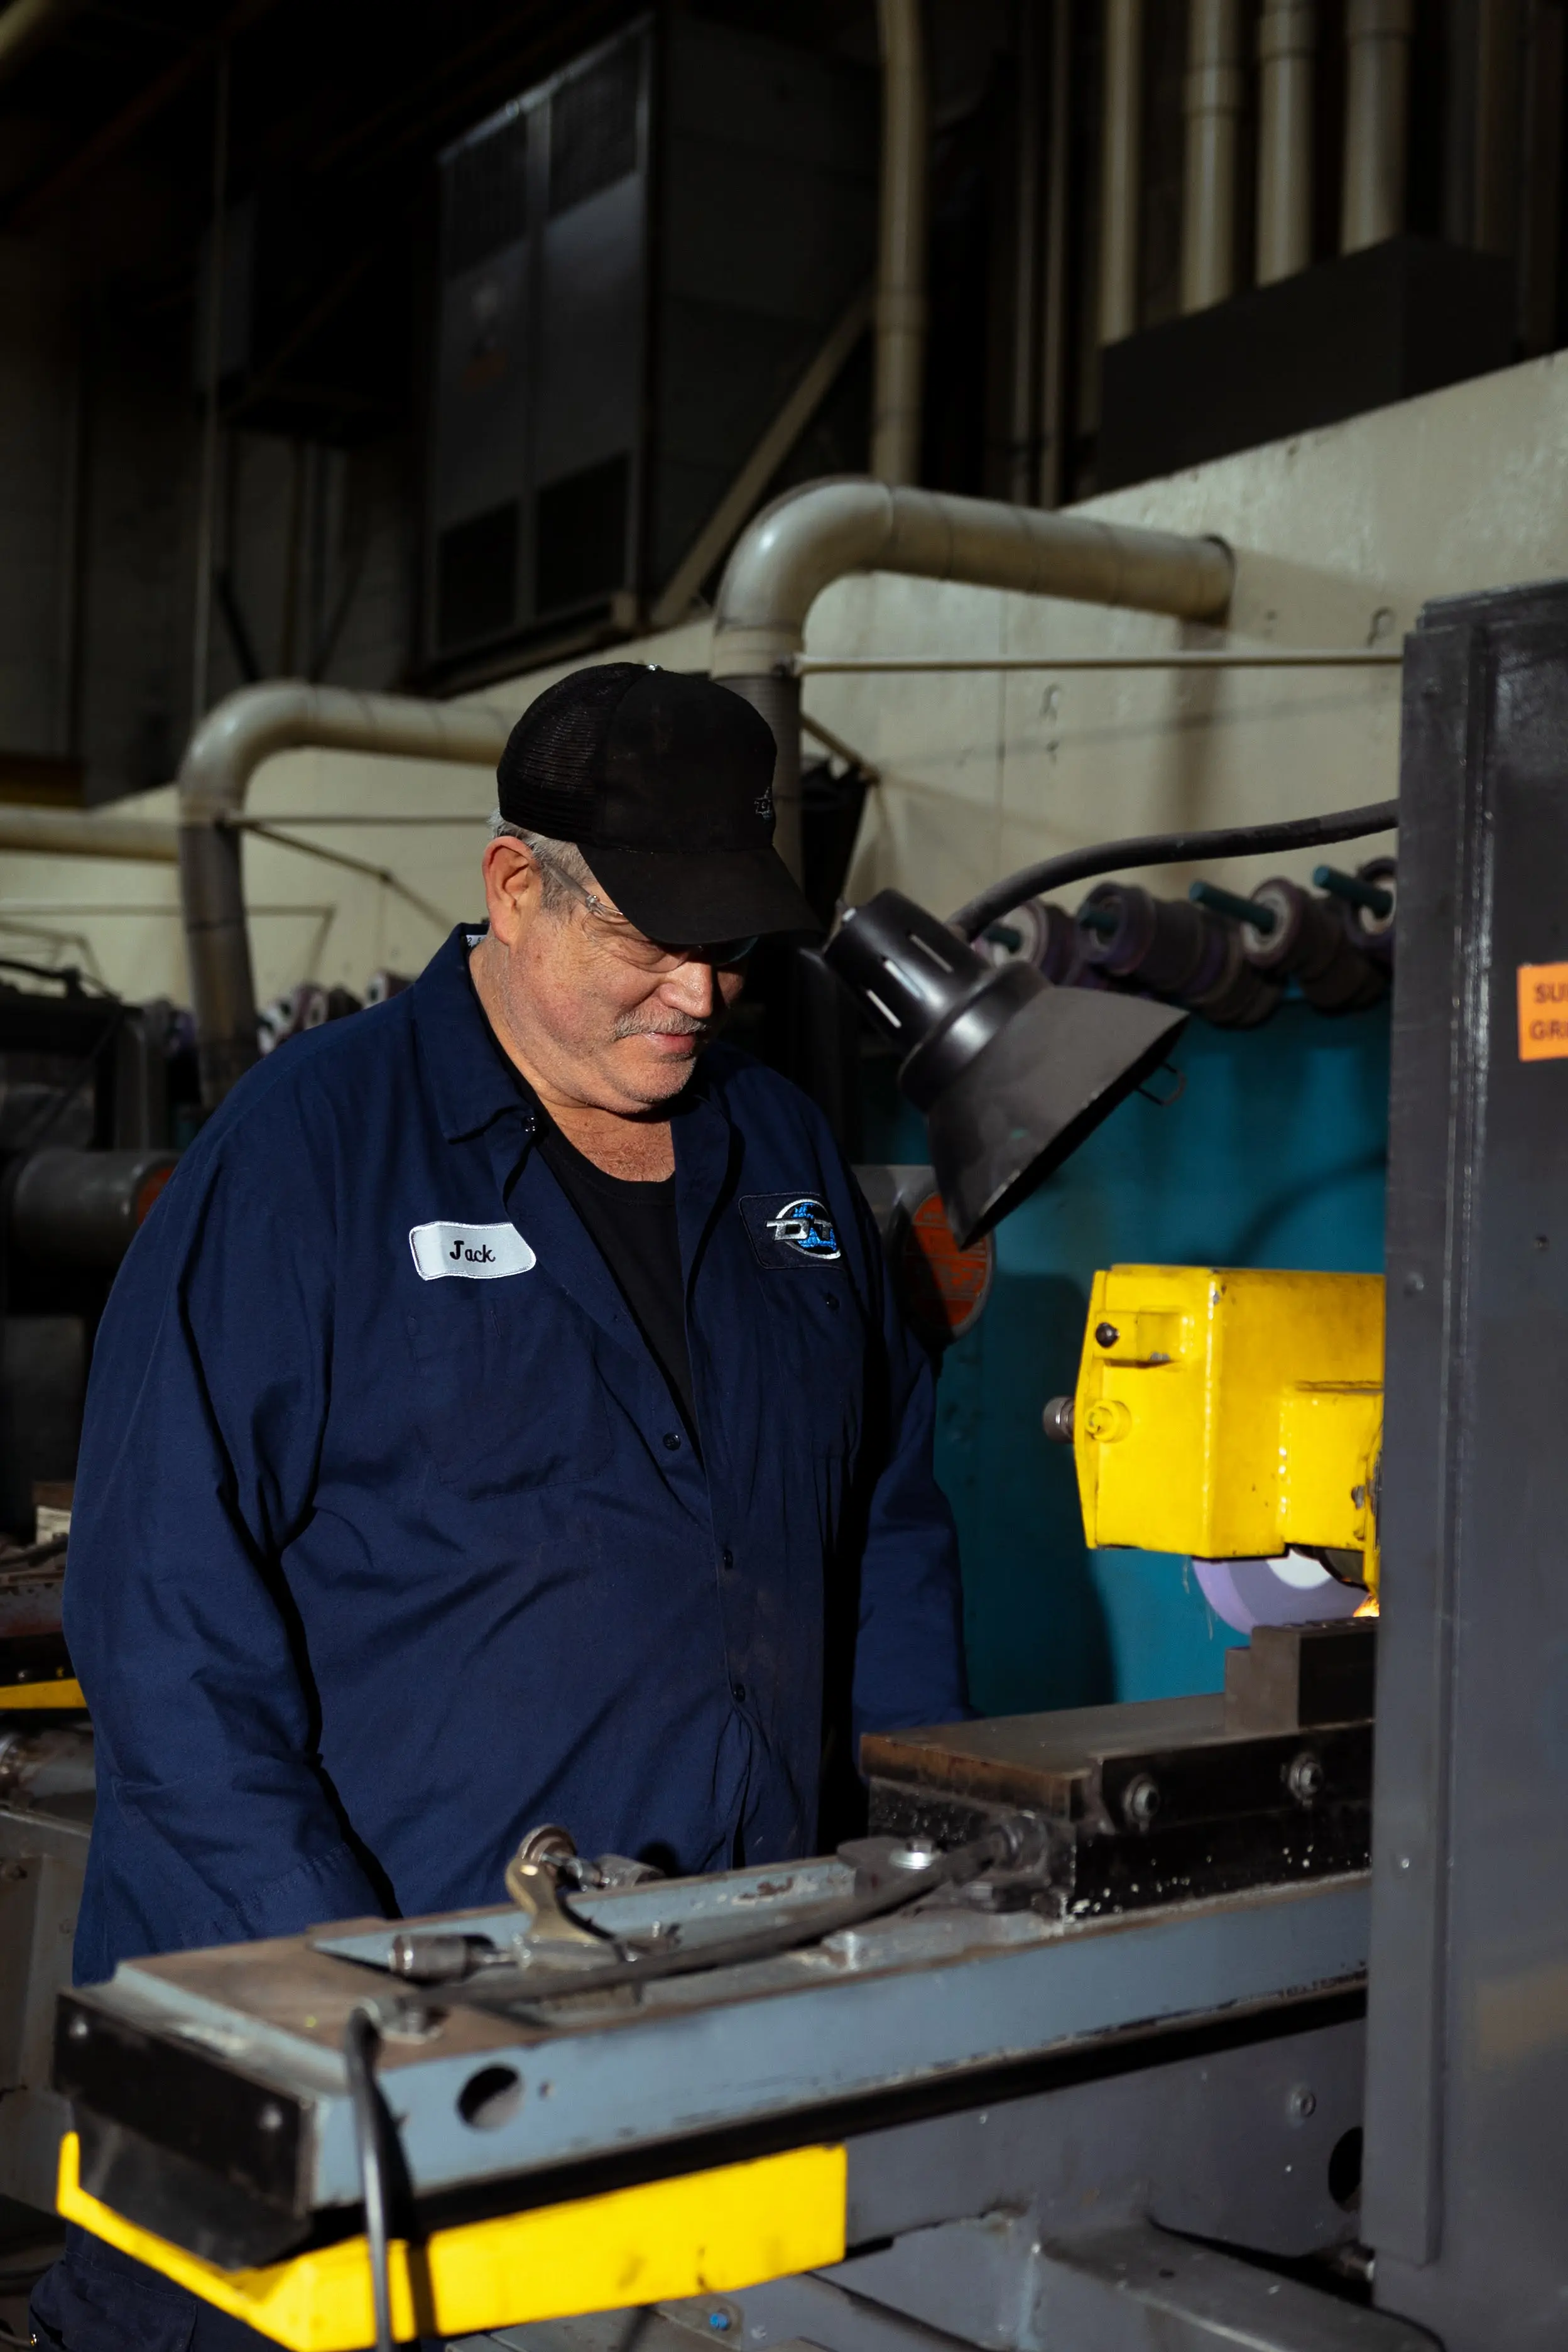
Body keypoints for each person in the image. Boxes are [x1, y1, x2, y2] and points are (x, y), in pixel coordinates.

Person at [33, 663, 967, 2348]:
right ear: (515, 888)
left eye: (727, 944)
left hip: (709, 2014)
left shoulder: (783, 1157)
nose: (698, 990)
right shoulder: (306, 1156)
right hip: (373, 2046)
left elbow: (886, 1523)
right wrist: (352, 1982)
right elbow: (165, 1614)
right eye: (647, 940)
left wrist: (929, 1868)